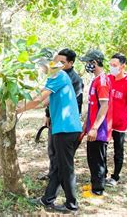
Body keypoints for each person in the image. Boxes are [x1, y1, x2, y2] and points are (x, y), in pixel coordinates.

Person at [17, 55, 82, 213]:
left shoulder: (57, 76)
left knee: (66, 168)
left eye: (42, 65)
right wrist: (25, 103)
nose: (42, 69)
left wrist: (19, 109)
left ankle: (71, 205)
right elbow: (45, 101)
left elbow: (40, 99)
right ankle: (48, 199)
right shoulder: (60, 76)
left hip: (65, 129)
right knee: (59, 167)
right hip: (67, 128)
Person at [41, 48, 83, 181]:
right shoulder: (56, 74)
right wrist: (48, 114)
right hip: (56, 119)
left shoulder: (74, 79)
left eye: (62, 62)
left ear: (70, 63)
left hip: (66, 123)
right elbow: (49, 98)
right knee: (53, 151)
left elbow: (74, 103)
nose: (58, 64)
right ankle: (53, 177)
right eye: (57, 61)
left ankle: (60, 187)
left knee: (63, 158)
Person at [79, 49, 112, 199]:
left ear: (94, 62)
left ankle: (97, 191)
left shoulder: (103, 81)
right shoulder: (96, 80)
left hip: (99, 129)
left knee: (96, 159)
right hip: (93, 127)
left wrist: (94, 128)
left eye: (88, 62)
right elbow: (93, 106)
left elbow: (104, 106)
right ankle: (96, 184)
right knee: (93, 158)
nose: (87, 65)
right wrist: (86, 124)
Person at [106, 53, 127, 187]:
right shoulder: (107, 79)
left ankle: (115, 177)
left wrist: (122, 114)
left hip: (120, 122)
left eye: (115, 65)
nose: (112, 68)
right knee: (102, 148)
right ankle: (103, 173)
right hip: (105, 121)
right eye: (110, 65)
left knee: (118, 150)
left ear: (123, 66)